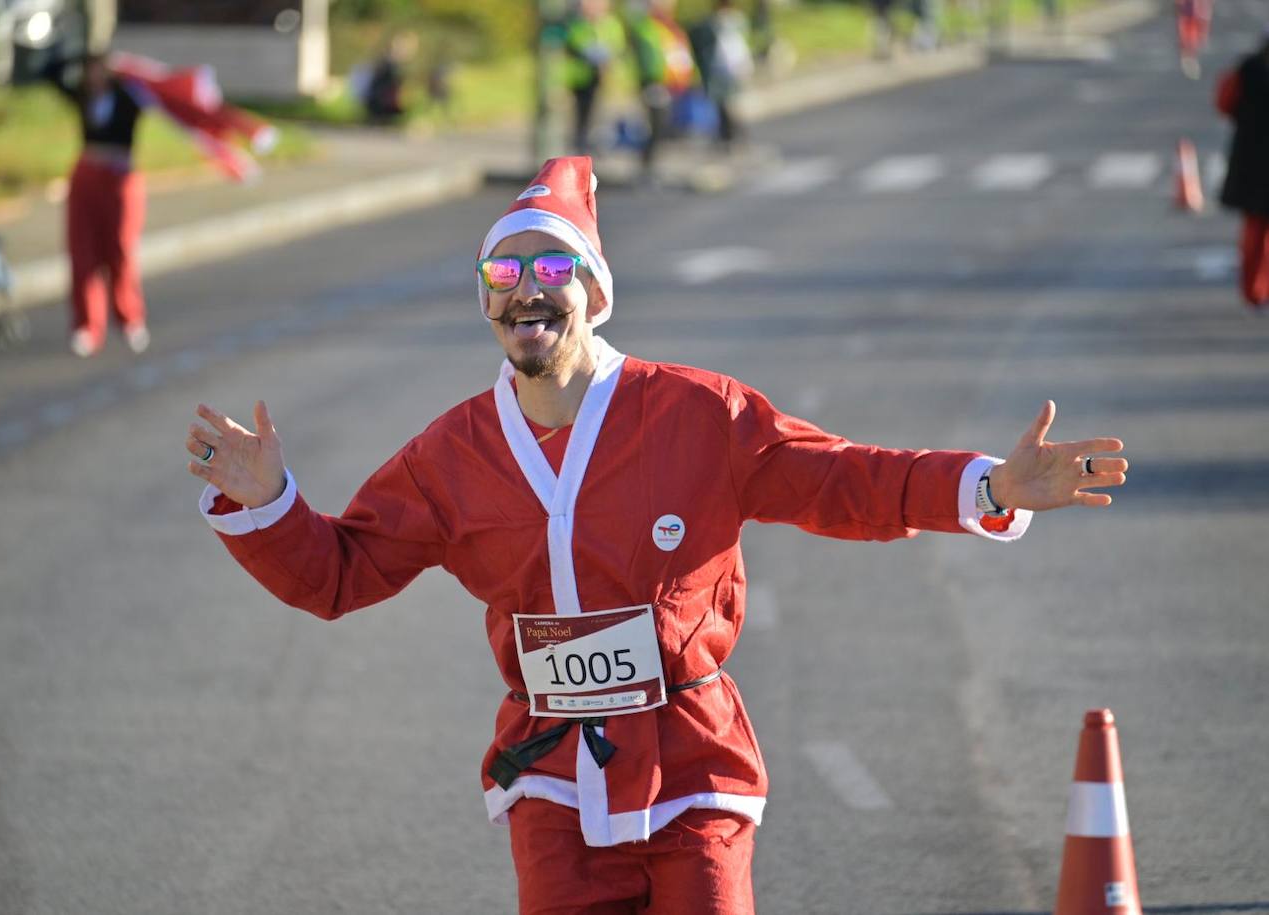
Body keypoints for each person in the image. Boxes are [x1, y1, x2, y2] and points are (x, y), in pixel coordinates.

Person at [184, 156, 1128, 914]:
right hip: (551, 769)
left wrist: (990, 487)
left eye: (552, 269)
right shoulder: (452, 452)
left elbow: (842, 479)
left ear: (593, 292)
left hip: (693, 763)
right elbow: (342, 574)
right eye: (503, 274)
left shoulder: (698, 413)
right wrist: (269, 504)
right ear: (484, 301)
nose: (527, 293)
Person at [45, 51, 151, 357]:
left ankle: (130, 318)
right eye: (89, 70)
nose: (93, 76)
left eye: (98, 70)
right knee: (82, 251)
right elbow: (50, 72)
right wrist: (73, 55)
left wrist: (128, 71)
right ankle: (87, 326)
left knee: (119, 248)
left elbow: (159, 97)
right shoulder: (83, 96)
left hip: (120, 177)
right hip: (87, 174)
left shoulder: (129, 98)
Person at [1216, 28, 1269, 310]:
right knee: (1256, 233)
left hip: (1250, 165)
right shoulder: (1246, 70)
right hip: (1254, 165)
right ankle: (1256, 288)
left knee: (1254, 232)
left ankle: (1254, 289)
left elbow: (1224, 104)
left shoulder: (1246, 70)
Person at [628, 0, 696, 177]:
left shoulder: (668, 25)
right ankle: (646, 166)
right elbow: (649, 57)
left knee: (663, 126)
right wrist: (654, 80)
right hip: (655, 84)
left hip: (669, 84)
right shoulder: (646, 27)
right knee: (656, 125)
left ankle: (650, 165)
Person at [563, 0, 626, 155]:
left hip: (605, 77)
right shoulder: (577, 25)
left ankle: (595, 147)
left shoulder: (612, 24)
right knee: (582, 115)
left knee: (600, 114)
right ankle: (580, 149)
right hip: (581, 78)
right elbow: (576, 45)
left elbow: (618, 46)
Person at [690, 0, 754, 153]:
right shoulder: (724, 23)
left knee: (727, 105)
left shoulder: (726, 23)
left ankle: (733, 137)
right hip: (724, 69)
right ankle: (729, 137)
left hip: (726, 69)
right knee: (724, 105)